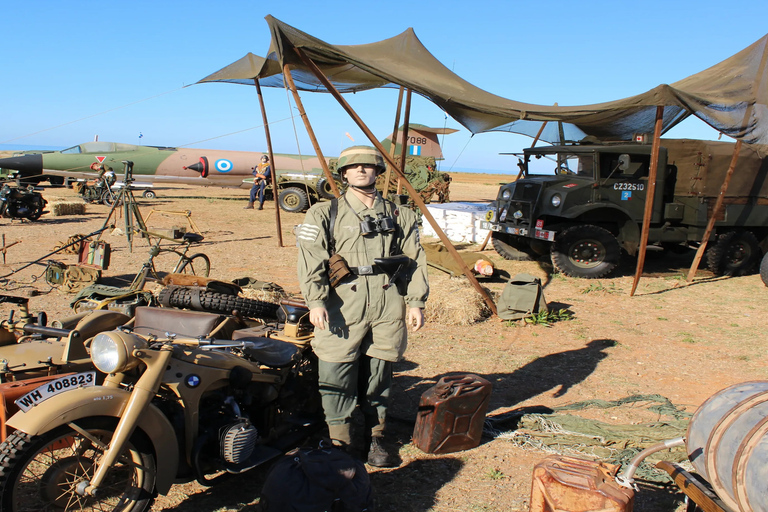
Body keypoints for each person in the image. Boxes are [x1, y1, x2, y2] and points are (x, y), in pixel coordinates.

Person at [296, 145, 428, 468]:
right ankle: (339, 441)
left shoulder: (400, 214)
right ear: (343, 174)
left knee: (380, 372)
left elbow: (414, 260)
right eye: (352, 167)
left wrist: (415, 302)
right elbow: (311, 258)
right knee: (335, 369)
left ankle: (376, 438)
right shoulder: (326, 213)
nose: (360, 170)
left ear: (377, 172)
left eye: (367, 166)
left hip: (387, 299)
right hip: (343, 301)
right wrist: (315, 300)